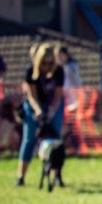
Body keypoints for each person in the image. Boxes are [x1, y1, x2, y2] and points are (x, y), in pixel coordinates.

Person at [16, 43, 64, 186]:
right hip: (34, 105)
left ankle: (56, 176)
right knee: (29, 139)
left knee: (55, 141)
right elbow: (32, 96)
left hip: (53, 105)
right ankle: (20, 177)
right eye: (44, 62)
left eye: (50, 62)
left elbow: (57, 96)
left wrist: (51, 112)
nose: (47, 65)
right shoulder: (30, 72)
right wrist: (38, 111)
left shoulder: (59, 71)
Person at [55, 46, 82, 112]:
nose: (59, 59)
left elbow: (75, 82)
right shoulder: (58, 68)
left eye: (61, 56)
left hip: (71, 96)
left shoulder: (70, 67)